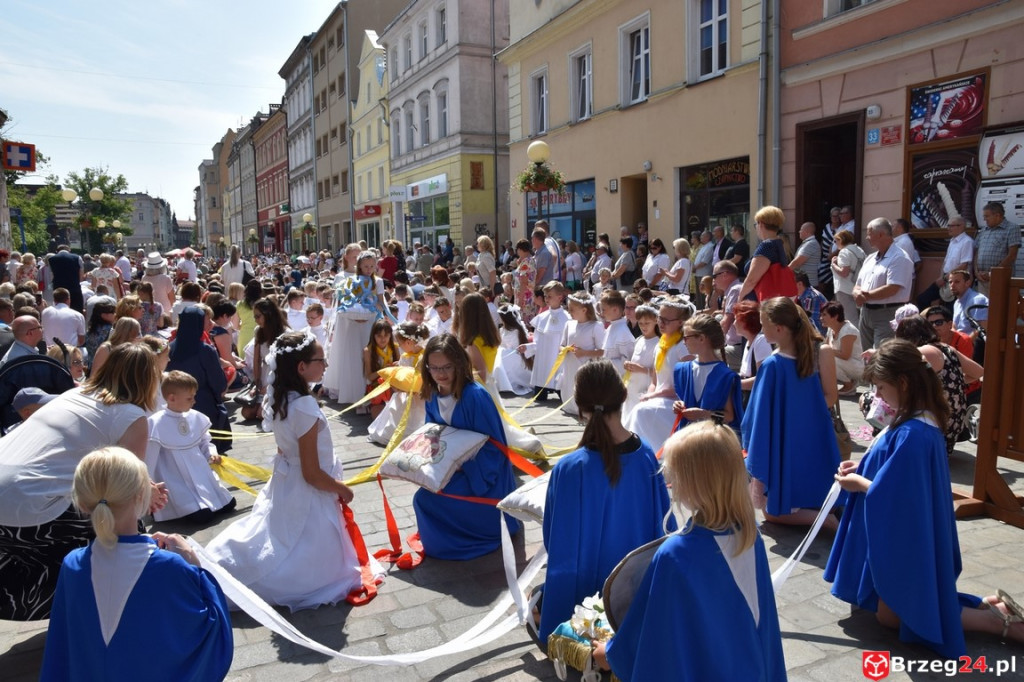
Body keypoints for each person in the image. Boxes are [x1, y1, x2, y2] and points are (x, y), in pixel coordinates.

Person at [826, 339, 1024, 657]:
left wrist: (859, 483)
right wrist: (862, 465)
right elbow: (892, 468)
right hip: (909, 531)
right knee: (893, 611)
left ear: (903, 383)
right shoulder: (914, 419)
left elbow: (897, 492)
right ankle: (984, 608)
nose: (876, 395)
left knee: (899, 617)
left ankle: (995, 621)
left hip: (906, 537)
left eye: (880, 387)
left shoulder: (914, 433)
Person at [593, 421, 786, 681]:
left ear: (693, 484)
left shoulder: (676, 554)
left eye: (673, 476)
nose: (670, 483)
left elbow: (653, 633)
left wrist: (611, 654)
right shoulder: (750, 536)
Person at [206, 331, 379, 610]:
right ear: (301, 367)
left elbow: (283, 450)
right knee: (302, 553)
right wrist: (341, 488)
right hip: (309, 488)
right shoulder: (305, 406)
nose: (326, 365)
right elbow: (311, 473)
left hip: (288, 483)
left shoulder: (282, 400)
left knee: (280, 533)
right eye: (321, 360)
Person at [0, 343, 167, 621]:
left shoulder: (73, 394)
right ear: (149, 381)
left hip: (14, 490)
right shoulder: (131, 416)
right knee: (123, 521)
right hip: (29, 500)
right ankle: (119, 603)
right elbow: (125, 483)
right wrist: (147, 493)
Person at [40, 447, 232, 681]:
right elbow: (209, 632)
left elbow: (63, 645)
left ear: (81, 503)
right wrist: (195, 566)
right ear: (141, 495)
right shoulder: (169, 566)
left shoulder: (72, 565)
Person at [536, 360, 673, 647]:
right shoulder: (646, 453)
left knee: (538, 597)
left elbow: (555, 539)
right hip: (633, 589)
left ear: (580, 405)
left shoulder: (571, 467)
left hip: (583, 596)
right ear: (623, 396)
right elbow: (664, 525)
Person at [413, 334, 520, 559]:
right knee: (423, 496)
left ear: (459, 364)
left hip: (481, 476)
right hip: (451, 468)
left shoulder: (475, 396)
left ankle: (465, 538)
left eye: (447, 367)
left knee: (426, 500)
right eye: (434, 368)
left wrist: (462, 467)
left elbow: (494, 447)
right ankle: (447, 538)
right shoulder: (432, 394)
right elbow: (432, 434)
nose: (441, 374)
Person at [744, 297, 840, 527]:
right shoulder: (814, 354)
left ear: (778, 328)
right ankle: (829, 515)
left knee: (771, 512)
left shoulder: (772, 365)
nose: (761, 329)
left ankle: (827, 521)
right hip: (815, 434)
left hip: (783, 442)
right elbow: (826, 399)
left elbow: (758, 418)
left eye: (762, 324)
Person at [146, 371, 235, 523]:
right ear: (172, 398)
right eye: (189, 398)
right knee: (202, 516)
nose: (194, 401)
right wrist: (149, 486)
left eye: (194, 396)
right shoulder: (156, 422)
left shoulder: (195, 416)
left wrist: (211, 454)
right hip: (176, 479)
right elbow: (150, 458)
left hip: (200, 472)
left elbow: (204, 441)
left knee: (229, 505)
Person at [892, 316, 982, 454]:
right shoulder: (948, 348)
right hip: (953, 427)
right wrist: (953, 381)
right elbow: (978, 372)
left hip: (934, 428)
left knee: (872, 399)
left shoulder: (921, 352)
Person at [623, 297, 694, 449]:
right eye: (659, 318)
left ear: (680, 322)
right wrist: (649, 395)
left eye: (666, 320)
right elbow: (655, 382)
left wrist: (653, 396)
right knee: (639, 408)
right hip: (659, 398)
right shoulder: (660, 344)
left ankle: (647, 450)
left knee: (641, 412)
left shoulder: (683, 346)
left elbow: (686, 385)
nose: (661, 323)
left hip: (675, 400)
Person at [168, 306, 231, 454]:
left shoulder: (169, 349)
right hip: (204, 405)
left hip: (176, 406)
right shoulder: (205, 350)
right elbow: (219, 383)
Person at [672, 314, 743, 433]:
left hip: (712, 441)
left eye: (686, 338)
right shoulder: (682, 370)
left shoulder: (725, 375)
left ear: (701, 338)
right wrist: (678, 405)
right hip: (687, 437)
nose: (684, 343)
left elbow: (730, 417)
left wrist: (704, 414)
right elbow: (682, 399)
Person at [853, 218, 914, 350]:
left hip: (887, 313)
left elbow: (893, 288)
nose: (867, 237)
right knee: (865, 353)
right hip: (866, 312)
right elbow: (858, 284)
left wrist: (866, 296)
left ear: (880, 234)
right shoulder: (870, 258)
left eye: (869, 233)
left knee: (882, 354)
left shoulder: (899, 257)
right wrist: (857, 294)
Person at [368, 322, 430, 445]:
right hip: (404, 395)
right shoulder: (405, 357)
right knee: (399, 416)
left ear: (408, 342)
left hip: (421, 395)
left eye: (400, 344)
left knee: (417, 418)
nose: (400, 347)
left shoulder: (424, 357)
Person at [522, 281, 570, 402]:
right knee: (539, 398)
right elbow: (538, 341)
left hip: (558, 359)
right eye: (545, 296)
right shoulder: (542, 318)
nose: (546, 299)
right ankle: (541, 389)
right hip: (543, 361)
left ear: (560, 297)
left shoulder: (567, 318)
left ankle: (559, 389)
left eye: (549, 296)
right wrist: (528, 347)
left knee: (562, 397)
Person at [558, 292, 605, 416]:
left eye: (572, 309)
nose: (570, 312)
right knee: (569, 387)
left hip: (585, 367)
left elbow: (603, 351)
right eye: (569, 309)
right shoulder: (569, 324)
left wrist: (584, 352)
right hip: (570, 366)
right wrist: (565, 349)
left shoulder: (596, 326)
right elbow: (561, 344)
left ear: (584, 310)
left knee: (582, 389)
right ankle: (569, 406)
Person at [917, 216, 973, 311]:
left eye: (951, 226)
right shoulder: (952, 241)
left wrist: (946, 278)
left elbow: (964, 265)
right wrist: (941, 277)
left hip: (956, 280)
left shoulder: (967, 241)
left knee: (950, 309)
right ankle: (927, 323)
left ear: (961, 226)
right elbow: (946, 262)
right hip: (945, 279)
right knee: (922, 299)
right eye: (948, 226)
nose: (948, 228)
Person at [738, 206, 791, 301]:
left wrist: (739, 299)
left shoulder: (766, 246)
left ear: (761, 224)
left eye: (756, 225)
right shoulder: (779, 243)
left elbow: (751, 280)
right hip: (773, 300)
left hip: (758, 301)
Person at [622, 304, 660, 421]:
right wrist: (628, 364)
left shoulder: (658, 343)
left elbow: (660, 372)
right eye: (640, 323)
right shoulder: (639, 340)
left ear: (656, 321)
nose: (643, 326)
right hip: (632, 387)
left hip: (645, 387)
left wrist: (642, 369)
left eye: (647, 323)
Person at [974, 201, 1020, 296]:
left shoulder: (1012, 228)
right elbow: (977, 252)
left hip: (1000, 279)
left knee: (998, 309)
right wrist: (976, 272)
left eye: (987, 216)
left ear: (997, 215)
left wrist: (992, 273)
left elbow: (1012, 255)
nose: (984, 219)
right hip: (982, 280)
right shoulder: (983, 230)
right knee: (983, 308)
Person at [821, 301, 863, 395]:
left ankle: (849, 385)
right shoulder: (831, 328)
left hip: (858, 367)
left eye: (824, 315)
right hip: (846, 365)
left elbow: (845, 355)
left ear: (835, 316)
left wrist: (826, 350)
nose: (821, 318)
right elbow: (826, 345)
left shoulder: (848, 330)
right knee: (823, 357)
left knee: (828, 358)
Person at [362, 318, 398, 419]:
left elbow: (400, 369)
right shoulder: (368, 351)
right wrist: (383, 371)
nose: (383, 339)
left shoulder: (394, 347)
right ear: (373, 336)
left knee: (395, 416)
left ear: (390, 335)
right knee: (379, 419)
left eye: (386, 335)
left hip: (393, 385)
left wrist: (397, 366)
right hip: (377, 387)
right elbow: (369, 377)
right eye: (379, 336)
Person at [829, 229, 866, 327]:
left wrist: (833, 264)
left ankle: (855, 341)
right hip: (859, 287)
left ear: (840, 240)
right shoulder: (859, 250)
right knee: (860, 317)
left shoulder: (844, 252)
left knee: (850, 318)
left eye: (835, 241)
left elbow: (844, 272)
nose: (835, 243)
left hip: (845, 289)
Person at [734, 300, 771, 393]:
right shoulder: (749, 342)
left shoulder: (761, 341)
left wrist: (733, 384)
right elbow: (745, 374)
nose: (734, 323)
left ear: (745, 321)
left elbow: (763, 378)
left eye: (736, 319)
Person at [948, 269, 988, 337]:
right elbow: (954, 328)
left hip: (973, 344)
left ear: (967, 283)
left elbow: (982, 328)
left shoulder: (978, 300)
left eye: (957, 282)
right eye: (950, 282)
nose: (952, 285)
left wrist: (965, 344)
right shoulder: (956, 303)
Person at [48, 245, 86, 314]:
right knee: (76, 309)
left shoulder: (51, 259)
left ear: (57, 251)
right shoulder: (77, 258)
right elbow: (81, 273)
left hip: (59, 288)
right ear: (69, 250)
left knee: (59, 308)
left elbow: (52, 275)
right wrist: (78, 282)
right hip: (74, 287)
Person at [789, 221, 821, 287]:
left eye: (801, 230)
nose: (799, 232)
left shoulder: (811, 244)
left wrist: (784, 273)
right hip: (806, 284)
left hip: (808, 284)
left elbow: (797, 262)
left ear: (806, 231)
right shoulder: (809, 243)